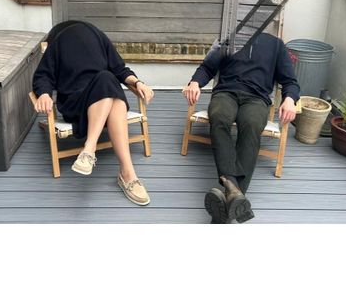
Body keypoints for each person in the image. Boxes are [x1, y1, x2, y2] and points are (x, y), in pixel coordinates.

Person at [32, 20, 154, 206]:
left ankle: (91, 152)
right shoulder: (58, 43)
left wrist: (138, 83)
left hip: (104, 100)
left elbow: (120, 69)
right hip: (76, 105)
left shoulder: (98, 37)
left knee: (107, 80)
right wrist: (43, 94)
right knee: (107, 80)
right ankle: (126, 174)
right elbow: (43, 76)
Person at [182, 32, 300, 223]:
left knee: (252, 125)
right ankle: (235, 195)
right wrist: (195, 82)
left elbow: (290, 81)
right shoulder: (228, 40)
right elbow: (207, 67)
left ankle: (228, 202)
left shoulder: (276, 45)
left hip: (257, 98)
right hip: (226, 93)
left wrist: (290, 99)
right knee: (219, 118)